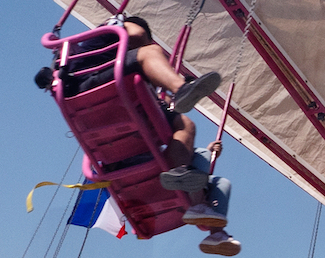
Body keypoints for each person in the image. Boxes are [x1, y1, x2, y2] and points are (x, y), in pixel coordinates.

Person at [39, 13, 221, 192]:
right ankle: (181, 89)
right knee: (151, 54)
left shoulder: (85, 47)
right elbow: (137, 34)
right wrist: (149, 49)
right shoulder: (117, 26)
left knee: (185, 124)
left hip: (85, 98)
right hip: (96, 81)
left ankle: (176, 173)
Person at [180, 139, 241, 256]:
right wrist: (207, 153)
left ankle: (216, 234)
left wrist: (210, 155)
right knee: (202, 153)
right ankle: (198, 207)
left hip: (192, 180)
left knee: (223, 182)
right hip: (177, 178)